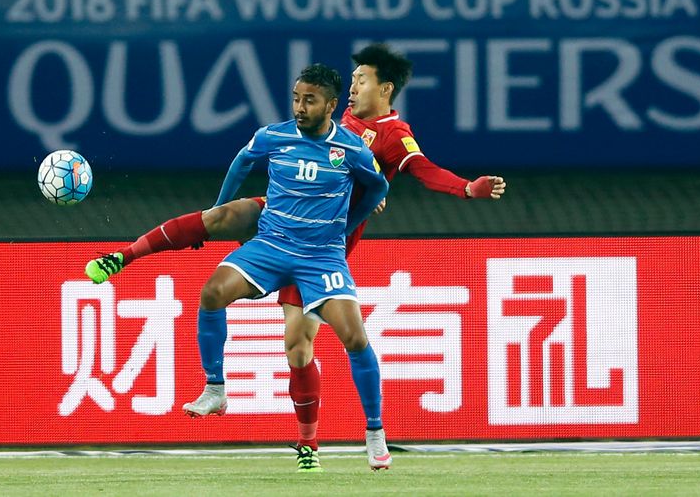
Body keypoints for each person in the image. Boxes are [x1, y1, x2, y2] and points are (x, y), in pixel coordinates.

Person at [85, 44, 506, 471]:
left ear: (386, 89)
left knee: (299, 349)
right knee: (224, 218)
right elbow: (264, 154)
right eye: (354, 79)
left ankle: (312, 440)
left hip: (323, 245)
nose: (356, 84)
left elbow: (420, 169)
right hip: (281, 219)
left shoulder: (392, 136)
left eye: (364, 79)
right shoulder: (333, 121)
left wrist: (466, 188)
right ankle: (125, 256)